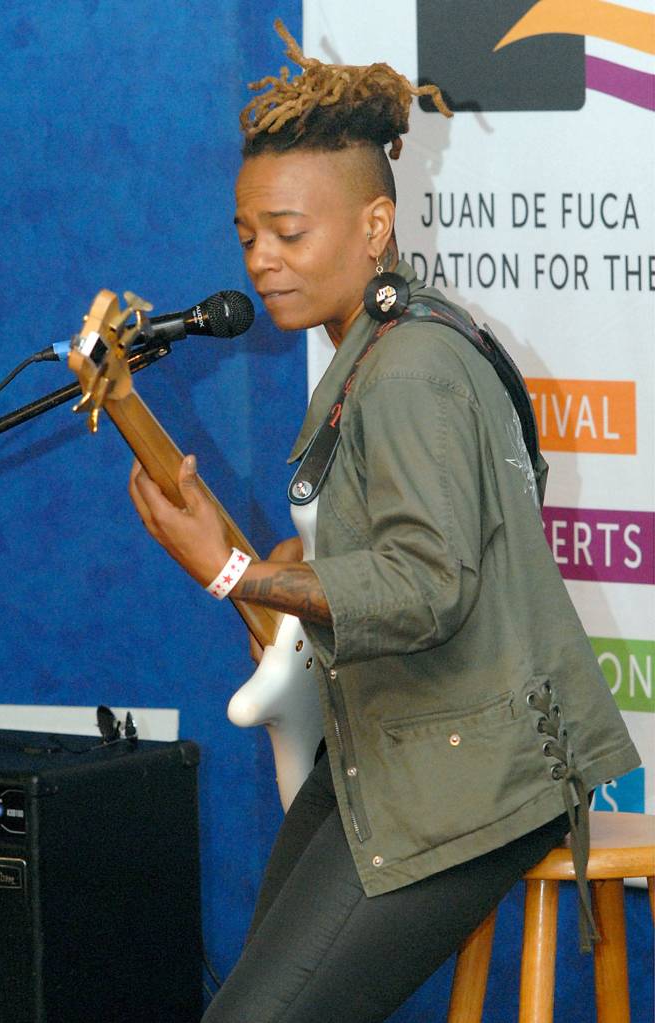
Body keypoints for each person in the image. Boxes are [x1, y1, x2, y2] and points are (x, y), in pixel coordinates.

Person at [129, 21, 640, 1023]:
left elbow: (423, 588)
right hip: (389, 747)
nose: (263, 260)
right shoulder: (369, 349)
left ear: (372, 227)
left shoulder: (408, 367)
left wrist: (232, 574)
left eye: (289, 232)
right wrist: (264, 563)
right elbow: (373, 562)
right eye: (247, 237)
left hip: (473, 780)